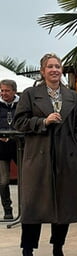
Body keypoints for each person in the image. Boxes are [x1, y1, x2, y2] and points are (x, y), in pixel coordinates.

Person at [13, 54, 77, 256]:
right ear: (42, 71)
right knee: (33, 206)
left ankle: (58, 247)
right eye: (50, 66)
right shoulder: (30, 95)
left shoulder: (73, 97)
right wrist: (43, 122)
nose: (54, 70)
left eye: (57, 66)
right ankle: (27, 252)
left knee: (63, 205)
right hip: (38, 158)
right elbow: (19, 122)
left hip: (66, 158)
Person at [0, 79, 19, 220]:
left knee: (26, 180)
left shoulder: (22, 104)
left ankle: (26, 208)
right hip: (1, 148)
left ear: (14, 91)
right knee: (3, 181)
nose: (3, 93)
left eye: (7, 90)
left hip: (19, 146)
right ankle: (8, 210)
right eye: (2, 90)